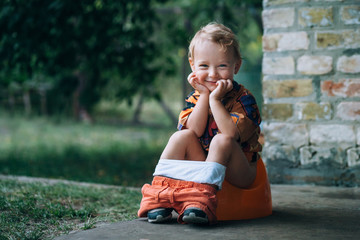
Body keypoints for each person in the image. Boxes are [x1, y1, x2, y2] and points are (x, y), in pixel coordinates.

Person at [137, 22, 262, 225]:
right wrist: (204, 96)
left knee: (221, 141)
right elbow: (193, 130)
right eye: (204, 66)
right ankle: (159, 195)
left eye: (222, 66)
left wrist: (215, 100)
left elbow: (230, 134)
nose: (212, 74)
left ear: (236, 66)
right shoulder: (195, 97)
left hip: (239, 171)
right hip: (204, 166)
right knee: (181, 136)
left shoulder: (244, 99)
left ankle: (200, 201)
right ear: (193, 65)